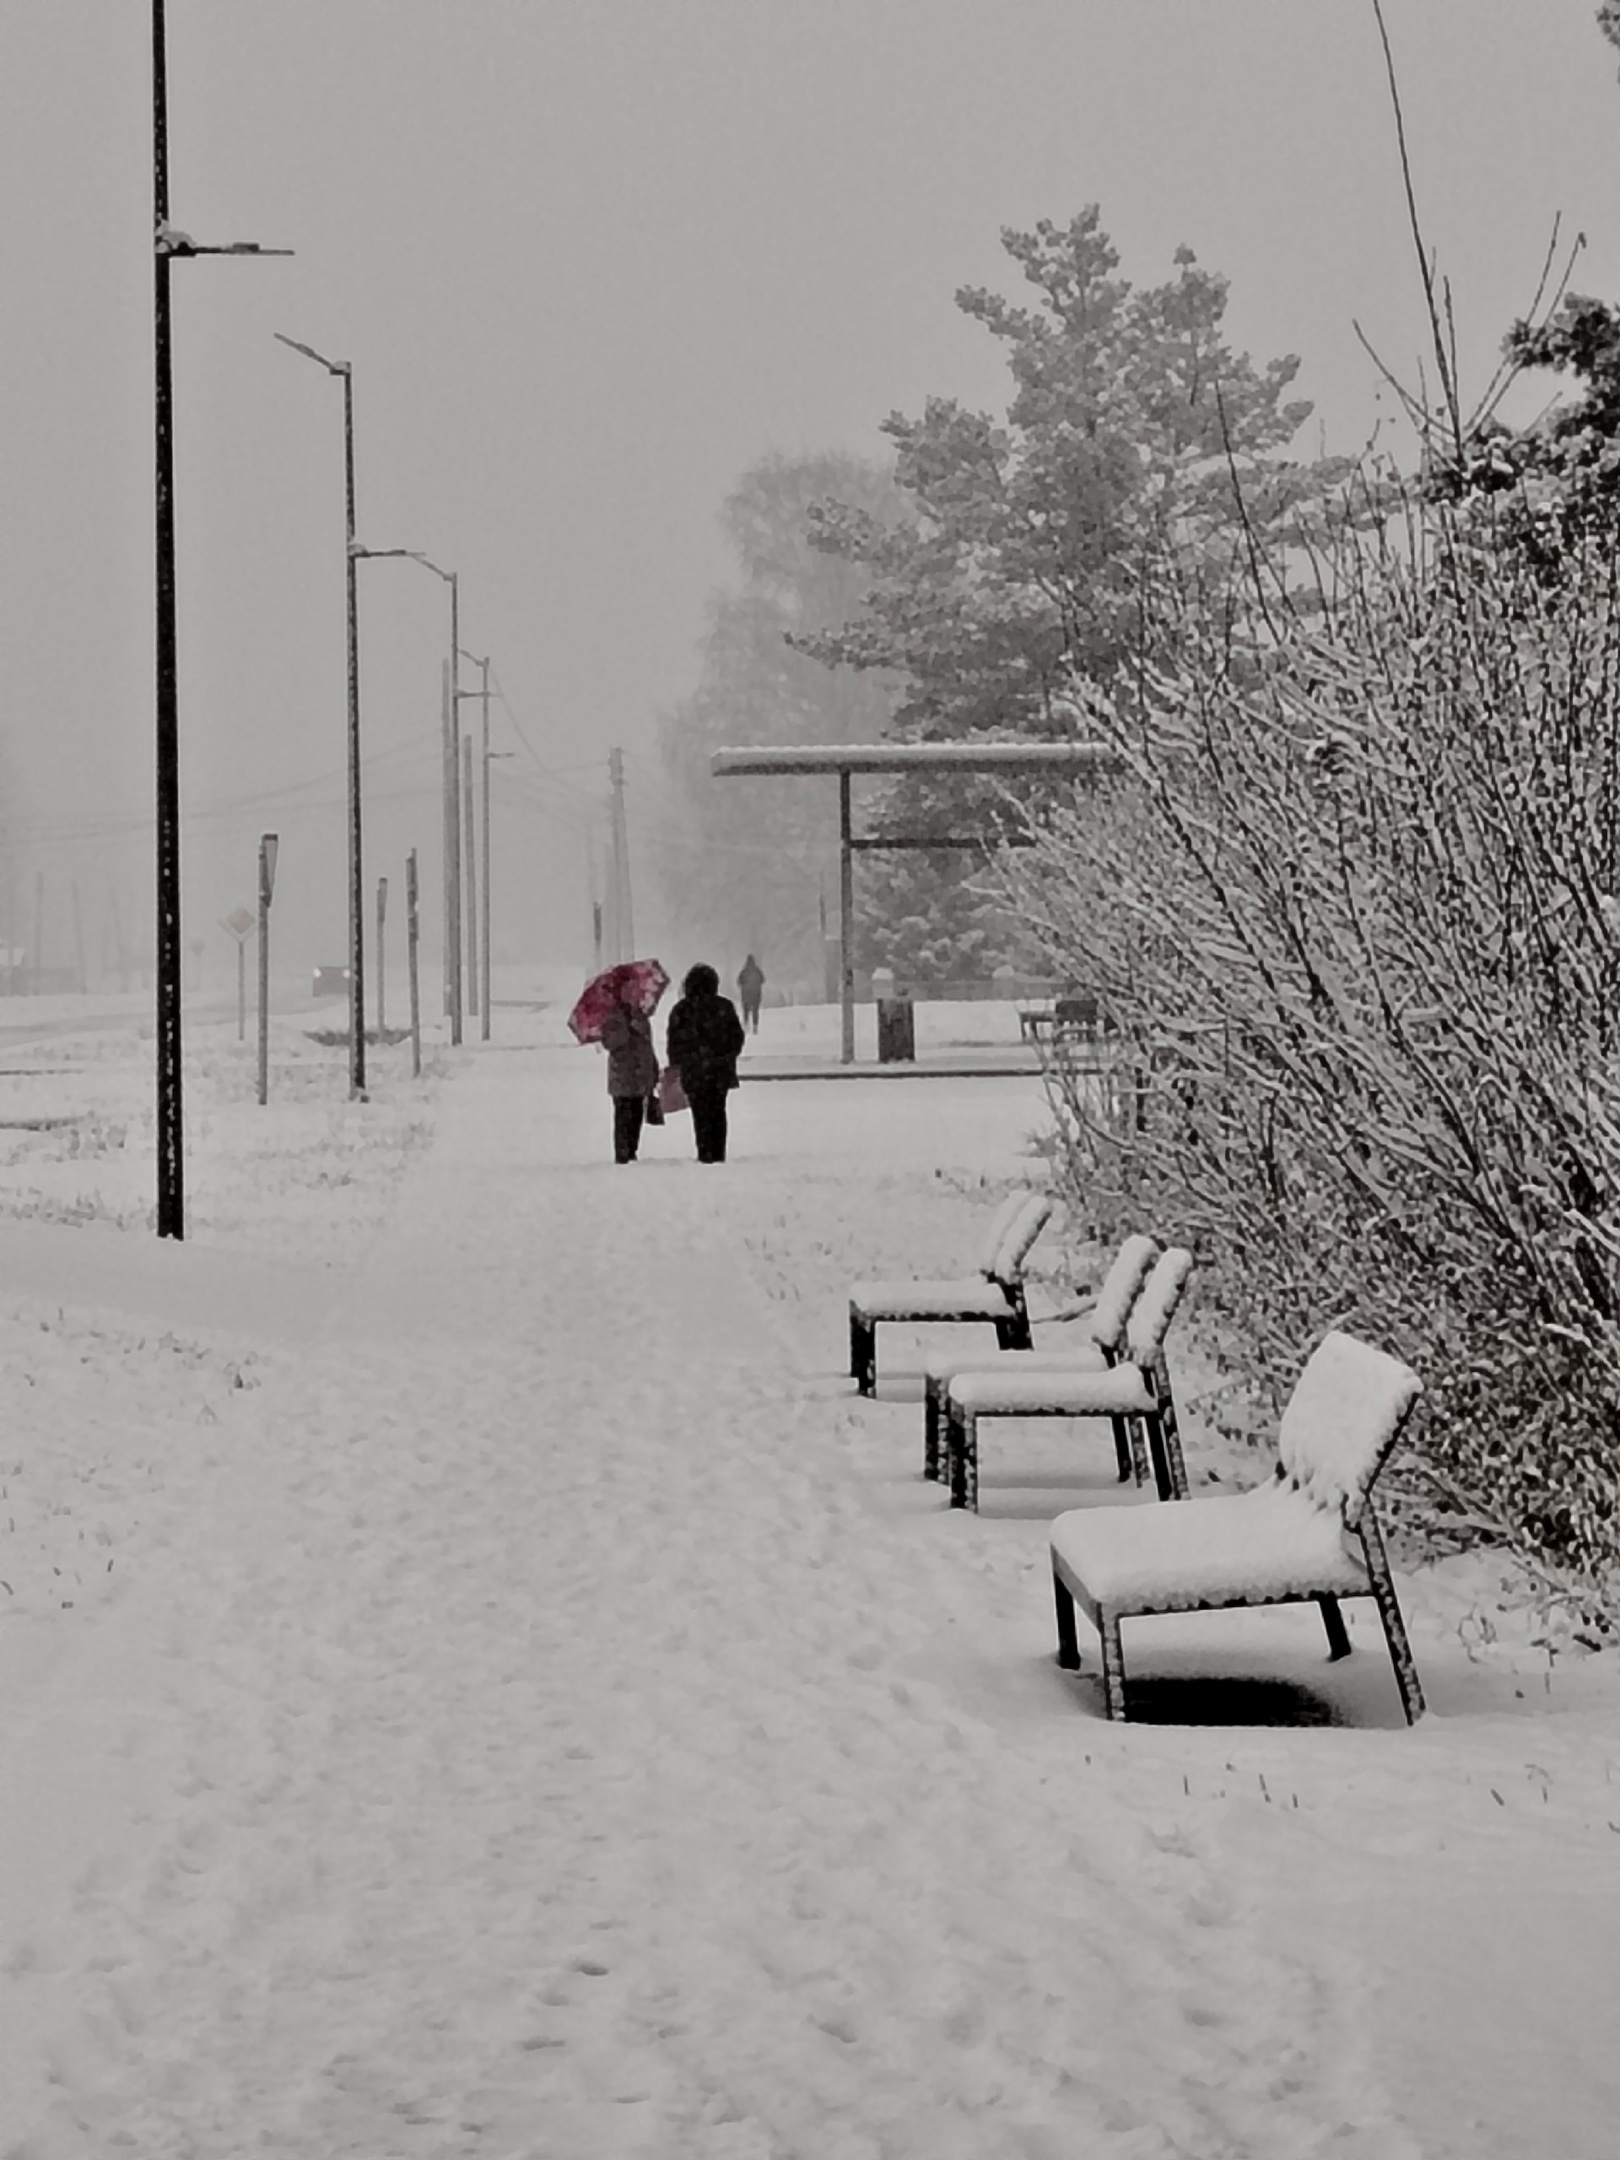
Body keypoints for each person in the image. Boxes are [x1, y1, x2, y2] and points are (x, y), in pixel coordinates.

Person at [666, 961, 746, 1163]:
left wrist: (680, 1062)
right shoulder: (724, 1007)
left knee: (700, 1112)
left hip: (693, 1070)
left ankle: (704, 1150)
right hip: (719, 1069)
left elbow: (674, 1041)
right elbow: (736, 1037)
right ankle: (718, 1150)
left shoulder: (682, 1009)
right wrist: (727, 1056)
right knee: (718, 1110)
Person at [599, 993, 660, 1164]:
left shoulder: (640, 1015)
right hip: (622, 1074)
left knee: (637, 1112)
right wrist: (626, 1028)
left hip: (640, 1072)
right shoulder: (612, 1015)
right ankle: (622, 1153)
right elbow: (610, 1043)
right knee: (623, 1113)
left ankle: (632, 1150)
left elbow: (648, 1044)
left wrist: (653, 1069)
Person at [737, 953, 765, 1034]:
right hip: (756, 994)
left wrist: (745, 985)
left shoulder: (744, 971)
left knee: (746, 1010)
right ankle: (755, 1026)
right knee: (755, 1011)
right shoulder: (757, 971)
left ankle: (746, 1025)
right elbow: (763, 980)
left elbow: (739, 982)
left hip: (746, 994)